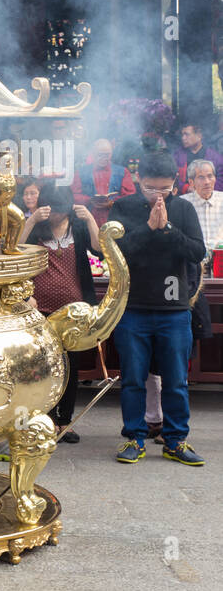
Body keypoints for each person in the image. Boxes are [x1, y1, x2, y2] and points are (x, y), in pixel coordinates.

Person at [108, 152, 208, 466]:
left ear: (175, 184)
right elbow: (117, 254)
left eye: (165, 190)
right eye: (151, 190)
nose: (158, 197)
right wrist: (148, 229)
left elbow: (196, 252)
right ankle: (135, 439)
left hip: (175, 309)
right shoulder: (124, 207)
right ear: (139, 181)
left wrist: (167, 230)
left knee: (176, 380)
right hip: (133, 306)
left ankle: (176, 440)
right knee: (134, 378)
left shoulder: (184, 208)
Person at [12, 186, 101, 446]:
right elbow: (13, 251)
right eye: (51, 210)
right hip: (39, 309)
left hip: (73, 312)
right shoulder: (37, 227)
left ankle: (65, 420)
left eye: (61, 212)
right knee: (42, 367)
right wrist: (30, 220)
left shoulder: (78, 228)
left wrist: (91, 219)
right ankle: (44, 419)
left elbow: (99, 249)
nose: (56, 216)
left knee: (69, 366)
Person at [76, 138, 135, 225]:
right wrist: (90, 200)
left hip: (116, 220)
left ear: (111, 153)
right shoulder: (81, 172)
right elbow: (74, 195)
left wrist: (113, 202)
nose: (104, 158)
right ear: (93, 154)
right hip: (87, 222)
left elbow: (130, 197)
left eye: (107, 155)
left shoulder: (122, 172)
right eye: (100, 155)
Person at [181, 160, 223, 256]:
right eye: (201, 177)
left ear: (215, 178)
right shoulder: (183, 203)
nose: (207, 182)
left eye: (210, 176)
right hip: (194, 261)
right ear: (191, 182)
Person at [172, 123, 223, 191]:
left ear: (199, 136)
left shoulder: (215, 157)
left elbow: (221, 180)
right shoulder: (178, 155)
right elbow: (173, 177)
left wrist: (205, 189)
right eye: (182, 135)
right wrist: (186, 188)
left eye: (186, 134)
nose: (183, 138)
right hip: (185, 196)